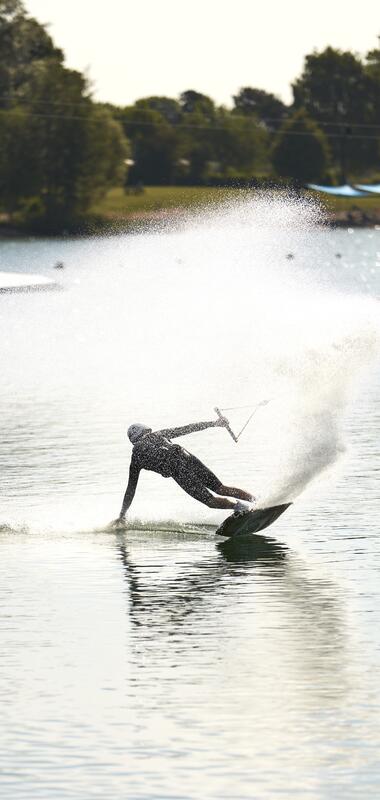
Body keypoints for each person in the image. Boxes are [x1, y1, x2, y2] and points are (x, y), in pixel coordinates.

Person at [114, 417, 254, 524]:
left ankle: (240, 507)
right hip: (185, 456)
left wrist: (122, 515)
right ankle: (256, 500)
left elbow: (130, 490)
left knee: (210, 501)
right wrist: (214, 423)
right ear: (146, 430)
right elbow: (187, 428)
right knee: (221, 488)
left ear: (133, 441)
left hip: (177, 469)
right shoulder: (158, 434)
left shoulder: (136, 458)